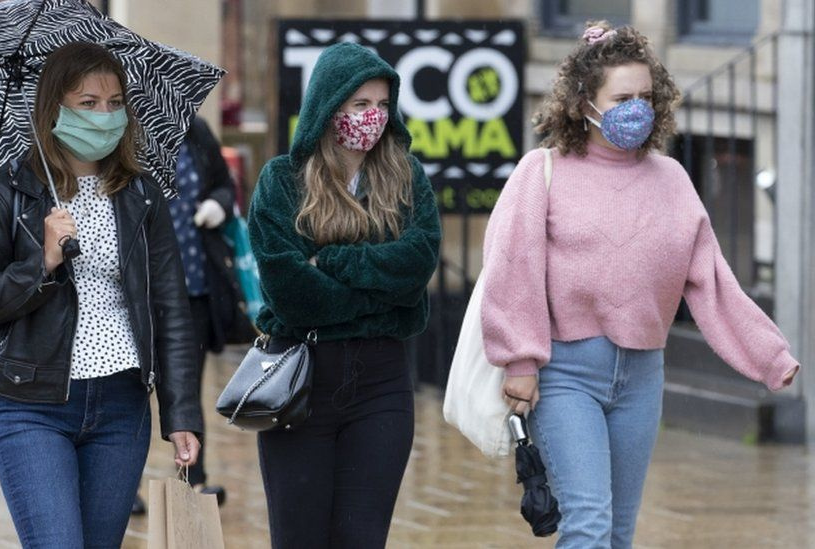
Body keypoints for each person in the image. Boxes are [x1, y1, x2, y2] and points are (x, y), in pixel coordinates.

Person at [480, 21, 800, 548]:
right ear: (584, 103)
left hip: (643, 377)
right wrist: (519, 362)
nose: (638, 108)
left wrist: (768, 356)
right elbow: (512, 269)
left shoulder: (672, 179)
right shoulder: (542, 172)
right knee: (588, 526)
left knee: (620, 534)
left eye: (646, 97)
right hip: (565, 375)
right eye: (623, 97)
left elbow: (711, 281)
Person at [0, 41, 202, 547]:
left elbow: (171, 309)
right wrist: (41, 262)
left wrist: (181, 416)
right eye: (88, 103)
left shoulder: (141, 194)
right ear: (55, 109)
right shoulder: (7, 192)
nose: (104, 115)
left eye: (114, 103)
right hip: (32, 403)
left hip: (122, 405)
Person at [247, 42, 442, 549]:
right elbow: (292, 294)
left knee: (362, 537)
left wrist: (331, 261)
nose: (373, 117)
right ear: (328, 107)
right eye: (360, 104)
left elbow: (418, 264)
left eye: (382, 105)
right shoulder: (281, 182)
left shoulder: (405, 177)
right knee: (299, 537)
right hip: (301, 380)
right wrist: (384, 295)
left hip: (383, 384)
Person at [132, 116, 245, 514]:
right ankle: (125, 481)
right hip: (137, 290)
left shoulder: (195, 131)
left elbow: (224, 184)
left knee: (186, 384)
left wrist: (218, 203)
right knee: (132, 392)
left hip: (193, 286)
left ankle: (192, 479)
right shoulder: (120, 137)